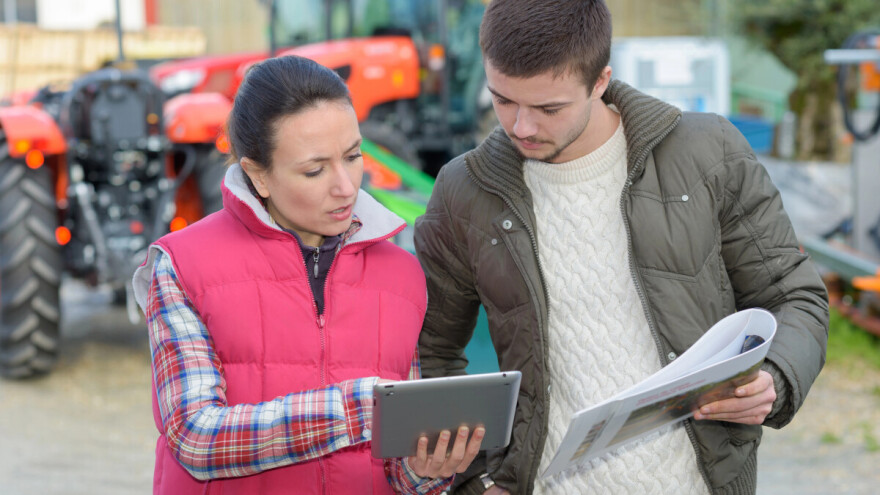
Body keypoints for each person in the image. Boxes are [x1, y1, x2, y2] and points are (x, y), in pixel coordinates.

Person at [413, 1, 829, 494]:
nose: (521, 126)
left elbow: (794, 296)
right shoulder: (464, 191)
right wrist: (475, 480)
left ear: (600, 80)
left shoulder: (706, 152)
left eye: (549, 108)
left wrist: (776, 377)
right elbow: (432, 352)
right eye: (503, 100)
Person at [132, 55, 483, 494]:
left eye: (353, 156)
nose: (346, 186)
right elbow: (196, 437)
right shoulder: (182, 265)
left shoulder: (403, 274)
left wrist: (427, 471)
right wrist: (356, 408)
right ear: (257, 175)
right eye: (314, 170)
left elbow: (397, 472)